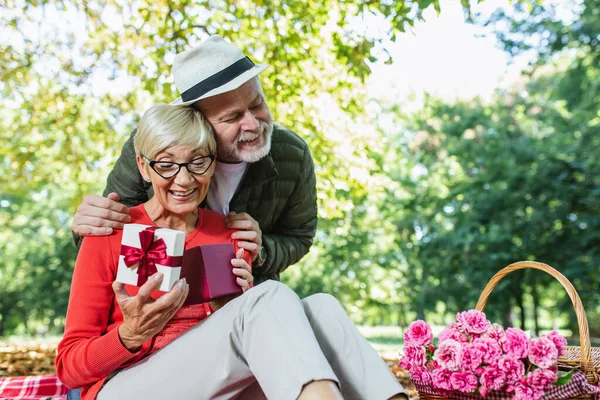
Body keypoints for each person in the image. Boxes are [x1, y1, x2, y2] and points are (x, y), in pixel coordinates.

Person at [56, 103, 408, 400]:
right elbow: (70, 368)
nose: (184, 180)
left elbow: (241, 340)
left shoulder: (227, 231)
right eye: (166, 164)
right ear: (144, 167)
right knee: (269, 297)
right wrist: (129, 335)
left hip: (216, 388)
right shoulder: (109, 231)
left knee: (321, 308)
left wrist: (230, 306)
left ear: (213, 163)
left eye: (198, 162)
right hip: (125, 387)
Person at [71, 35, 317, 285]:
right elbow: (105, 238)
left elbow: (299, 237)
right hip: (163, 294)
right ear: (199, 122)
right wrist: (87, 226)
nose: (253, 124)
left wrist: (261, 249)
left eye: (257, 105)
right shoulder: (153, 147)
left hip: (249, 292)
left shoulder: (293, 155)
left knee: (322, 305)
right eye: (232, 118)